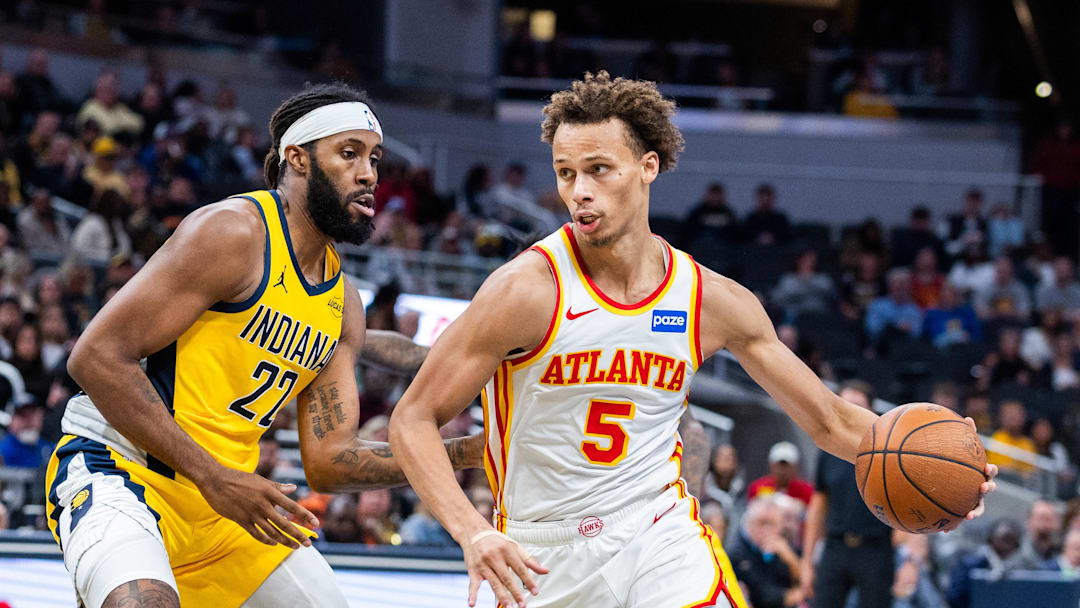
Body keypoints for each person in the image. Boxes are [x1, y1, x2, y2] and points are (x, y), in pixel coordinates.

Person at [388, 71, 995, 608]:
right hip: (544, 550)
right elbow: (413, 419)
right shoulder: (525, 290)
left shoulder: (710, 300)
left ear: (648, 166)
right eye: (566, 173)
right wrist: (473, 531)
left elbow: (832, 422)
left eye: (599, 169)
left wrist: (954, 475)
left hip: (657, 532)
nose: (579, 190)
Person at [43, 84, 487, 608]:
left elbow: (329, 460)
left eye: (374, 158)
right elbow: (94, 357)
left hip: (227, 509)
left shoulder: (342, 302)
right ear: (297, 159)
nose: (369, 174)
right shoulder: (233, 233)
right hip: (124, 472)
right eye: (349, 154)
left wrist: (471, 451)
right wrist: (214, 475)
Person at [800, 380, 895, 608]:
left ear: (871, 412)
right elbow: (818, 506)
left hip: (875, 548)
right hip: (836, 546)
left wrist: (911, 558)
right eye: (845, 405)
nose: (849, 412)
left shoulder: (891, 452)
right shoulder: (829, 449)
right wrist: (807, 561)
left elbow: (911, 501)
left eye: (857, 406)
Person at [728, 497, 803, 608]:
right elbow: (765, 598)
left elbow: (807, 581)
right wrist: (800, 593)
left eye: (771, 524)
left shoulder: (784, 546)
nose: (766, 530)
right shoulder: (737, 551)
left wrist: (791, 559)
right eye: (761, 523)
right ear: (748, 522)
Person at [747, 441, 814, 506]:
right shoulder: (757, 488)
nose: (782, 471)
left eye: (786, 466)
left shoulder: (807, 491)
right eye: (779, 466)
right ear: (771, 466)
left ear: (795, 468)